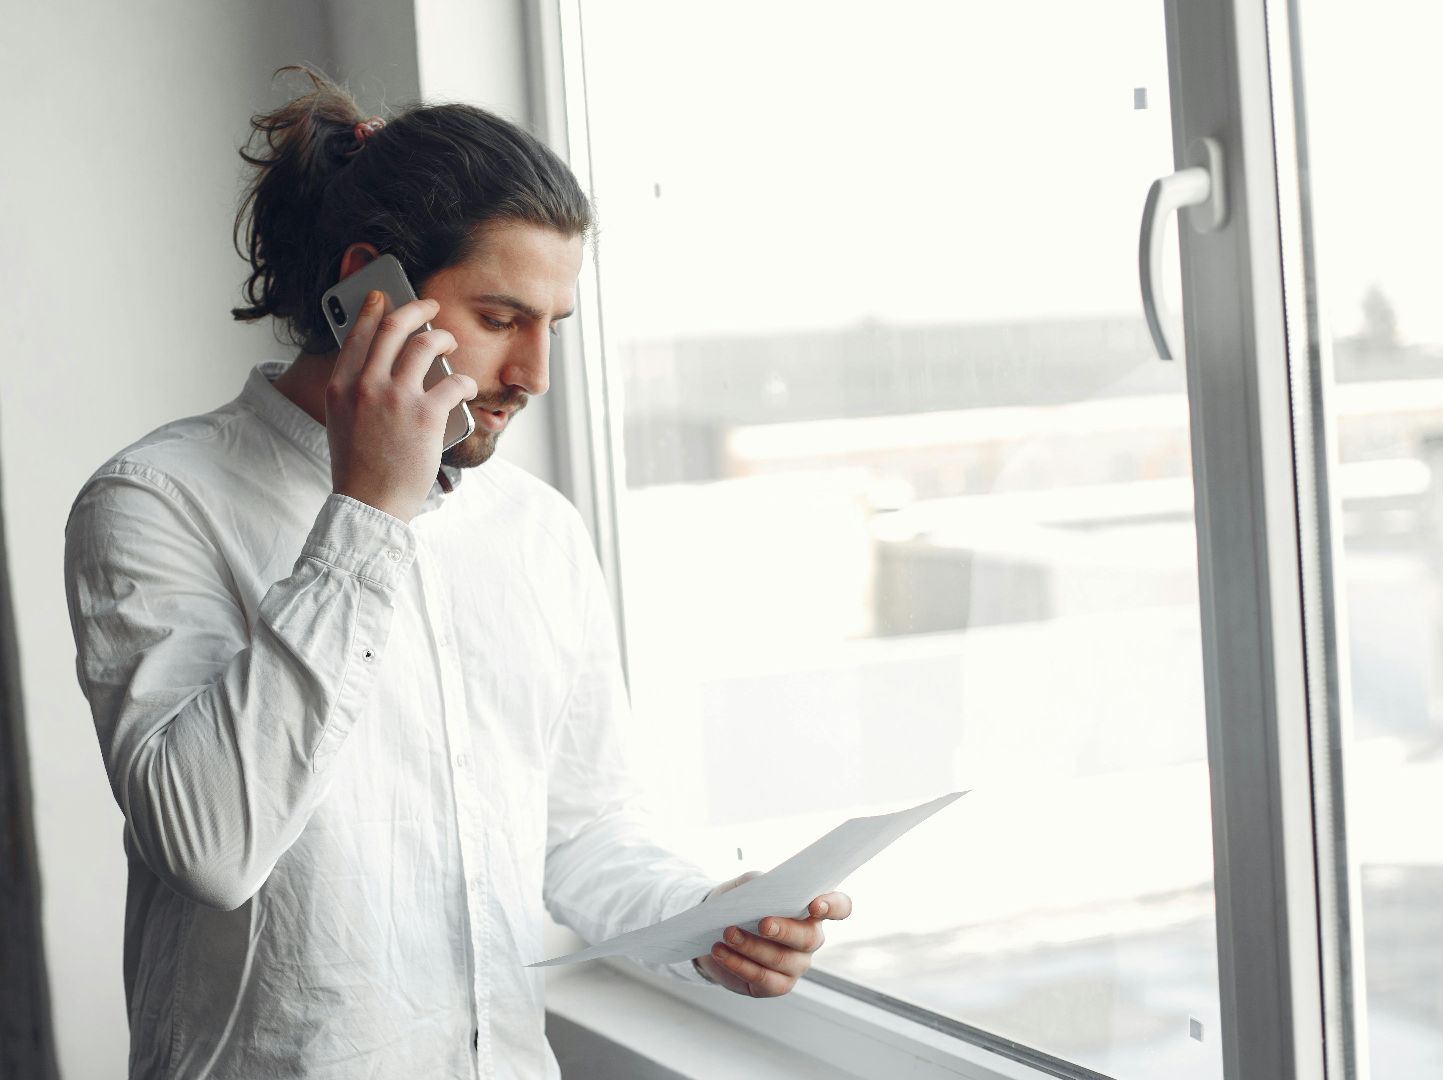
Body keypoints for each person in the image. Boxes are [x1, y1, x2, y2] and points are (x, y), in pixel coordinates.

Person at [61, 66, 852, 1079]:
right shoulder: (156, 500)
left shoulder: (536, 532)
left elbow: (585, 832)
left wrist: (706, 921)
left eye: (551, 326)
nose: (534, 374)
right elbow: (211, 846)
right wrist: (367, 513)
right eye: (499, 318)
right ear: (368, 292)